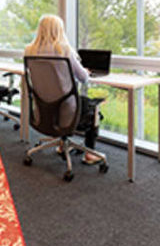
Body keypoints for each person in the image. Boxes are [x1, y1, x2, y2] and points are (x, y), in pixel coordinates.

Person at [24, 15, 103, 163]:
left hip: (42, 108)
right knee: (92, 107)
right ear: (59, 30)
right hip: (65, 109)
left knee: (67, 100)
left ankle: (62, 145)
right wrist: (85, 72)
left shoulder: (29, 51)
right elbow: (83, 78)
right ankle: (90, 154)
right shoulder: (64, 50)